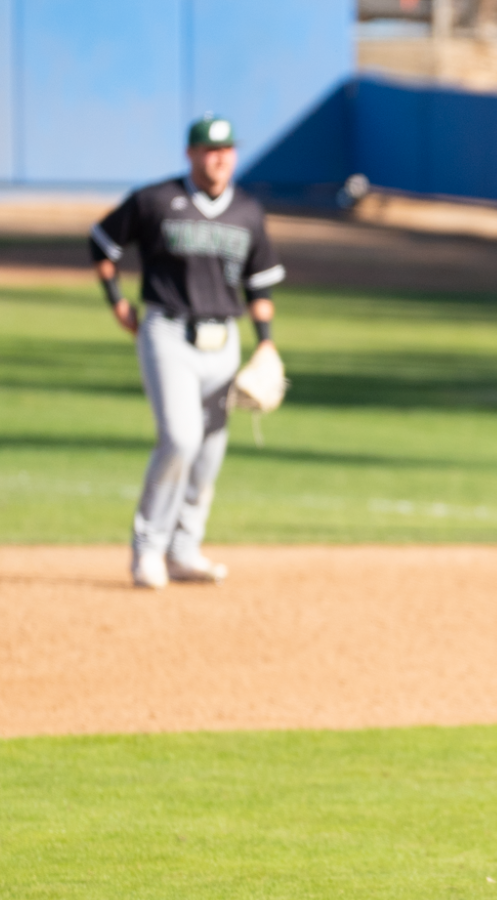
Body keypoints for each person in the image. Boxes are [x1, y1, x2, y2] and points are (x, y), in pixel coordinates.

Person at [89, 114, 283, 590]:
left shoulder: (248, 213)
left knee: (210, 451)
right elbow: (102, 241)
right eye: (209, 150)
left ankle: (184, 549)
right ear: (191, 154)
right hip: (166, 333)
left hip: (224, 339)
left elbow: (259, 285)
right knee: (179, 437)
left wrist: (267, 343)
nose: (219, 158)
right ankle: (148, 550)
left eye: (227, 150)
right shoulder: (155, 201)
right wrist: (116, 301)